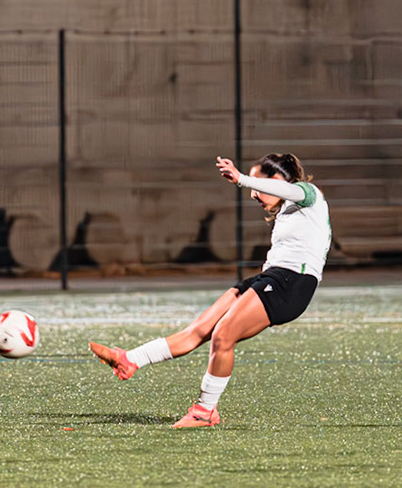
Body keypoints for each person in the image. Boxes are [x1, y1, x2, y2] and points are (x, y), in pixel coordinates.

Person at [89, 153, 329, 428]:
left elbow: (289, 189)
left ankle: (205, 411)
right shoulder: (289, 208)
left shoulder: (308, 194)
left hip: (292, 283)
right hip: (270, 277)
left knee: (223, 335)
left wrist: (241, 179)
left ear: (274, 180)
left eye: (258, 186)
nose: (254, 195)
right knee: (198, 330)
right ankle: (130, 360)